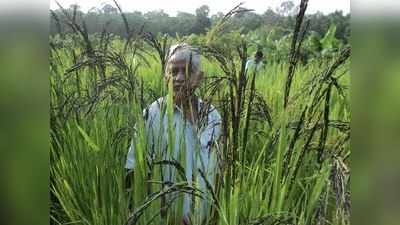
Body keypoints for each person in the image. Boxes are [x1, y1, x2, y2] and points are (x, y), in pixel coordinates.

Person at [125, 43, 222, 225]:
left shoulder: (213, 117)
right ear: (165, 77)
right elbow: (133, 170)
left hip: (202, 218)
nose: (179, 78)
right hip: (161, 218)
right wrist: (161, 210)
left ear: (199, 77)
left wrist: (213, 215)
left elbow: (218, 170)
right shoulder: (151, 115)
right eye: (173, 71)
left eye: (186, 71)